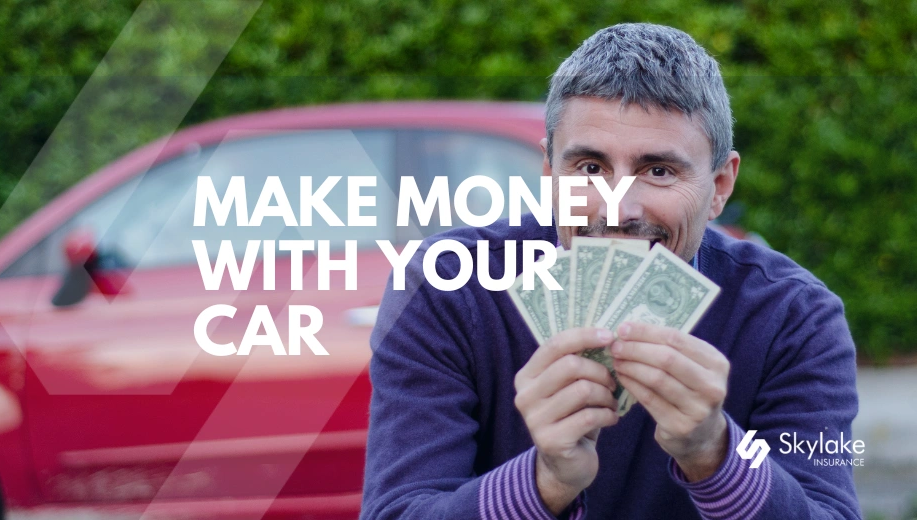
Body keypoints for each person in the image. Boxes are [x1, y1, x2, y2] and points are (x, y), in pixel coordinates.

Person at [360, 23, 861, 520]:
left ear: (721, 185)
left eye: (658, 171)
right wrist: (546, 479)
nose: (618, 211)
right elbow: (398, 510)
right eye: (591, 168)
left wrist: (716, 454)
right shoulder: (450, 286)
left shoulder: (795, 317)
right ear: (549, 173)